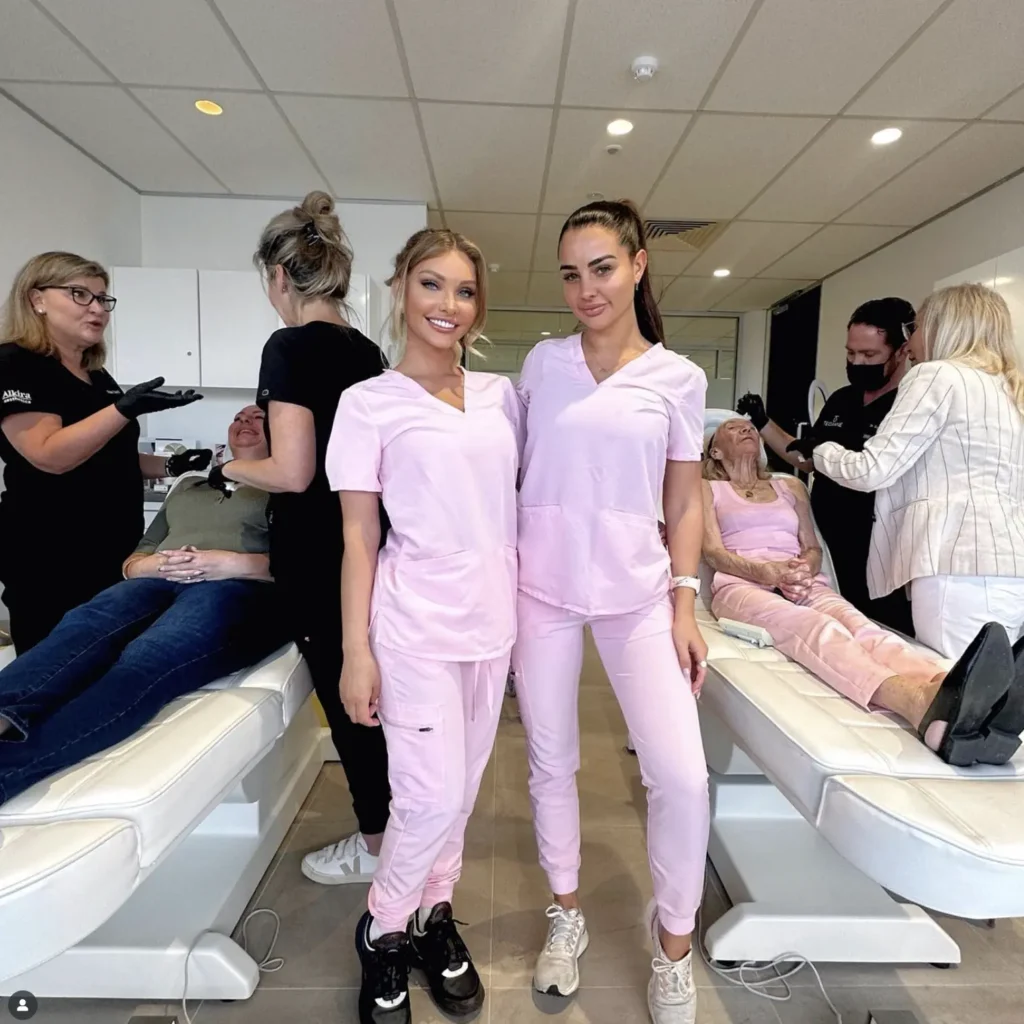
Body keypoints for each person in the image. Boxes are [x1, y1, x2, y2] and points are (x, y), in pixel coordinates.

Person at [512, 200, 709, 1024]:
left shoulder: (677, 378)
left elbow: (687, 501)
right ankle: (568, 915)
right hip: (541, 589)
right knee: (552, 764)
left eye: (601, 268)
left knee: (683, 778)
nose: (585, 288)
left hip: (637, 594)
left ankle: (673, 947)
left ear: (637, 266)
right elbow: (511, 465)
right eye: (570, 273)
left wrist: (686, 601)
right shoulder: (541, 365)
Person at [328, 229, 518, 1024]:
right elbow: (358, 538)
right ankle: (382, 928)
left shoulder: (503, 395)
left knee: (462, 794)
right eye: (432, 285)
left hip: (493, 627)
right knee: (428, 796)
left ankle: (435, 916)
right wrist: (354, 653)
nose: (449, 305)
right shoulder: (367, 403)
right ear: (402, 287)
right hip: (411, 627)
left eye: (465, 291)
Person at [207, 192, 391, 884]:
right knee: (375, 696)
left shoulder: (287, 345)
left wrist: (223, 466)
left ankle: (379, 847)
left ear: (279, 277)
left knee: (353, 708)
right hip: (369, 547)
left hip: (318, 556)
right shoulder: (370, 352)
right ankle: (396, 833)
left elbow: (292, 470)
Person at [0, 403, 284, 804]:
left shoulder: (290, 488)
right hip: (157, 581)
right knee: (79, 628)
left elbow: (307, 567)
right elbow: (137, 556)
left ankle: (9, 769)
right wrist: (152, 565)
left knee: (147, 657)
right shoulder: (189, 487)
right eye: (239, 417)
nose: (245, 422)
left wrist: (229, 563)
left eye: (258, 418)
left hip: (233, 587)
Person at [702, 417, 1021, 767]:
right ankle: (917, 703)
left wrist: (805, 568)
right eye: (731, 429)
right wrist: (763, 571)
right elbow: (713, 552)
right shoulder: (705, 489)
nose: (745, 429)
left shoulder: (790, 487)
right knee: (816, 628)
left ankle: (956, 690)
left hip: (800, 579)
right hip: (741, 584)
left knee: (862, 627)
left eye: (748, 427)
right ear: (715, 451)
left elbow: (812, 547)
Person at [793, 284, 1024, 661]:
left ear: (941, 327)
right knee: (991, 691)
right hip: (1007, 566)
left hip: (955, 561)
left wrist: (820, 451)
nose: (911, 340)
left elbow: (872, 469)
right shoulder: (1009, 387)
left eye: (915, 329)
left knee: (952, 685)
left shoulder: (937, 376)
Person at [0, 251, 206, 653]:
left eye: (102, 299)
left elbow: (109, 457)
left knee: (104, 654)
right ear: (36, 299)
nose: (97, 309)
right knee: (55, 660)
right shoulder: (15, 364)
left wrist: (172, 465)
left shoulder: (95, 375)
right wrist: (123, 409)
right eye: (80, 294)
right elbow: (50, 455)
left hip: (112, 543)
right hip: (52, 550)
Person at [738, 297, 917, 635]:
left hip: (879, 549)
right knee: (828, 625)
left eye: (869, 356)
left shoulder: (909, 407)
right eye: (851, 354)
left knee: (877, 631)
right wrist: (763, 423)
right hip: (827, 537)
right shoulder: (841, 401)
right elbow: (808, 460)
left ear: (901, 351)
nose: (857, 362)